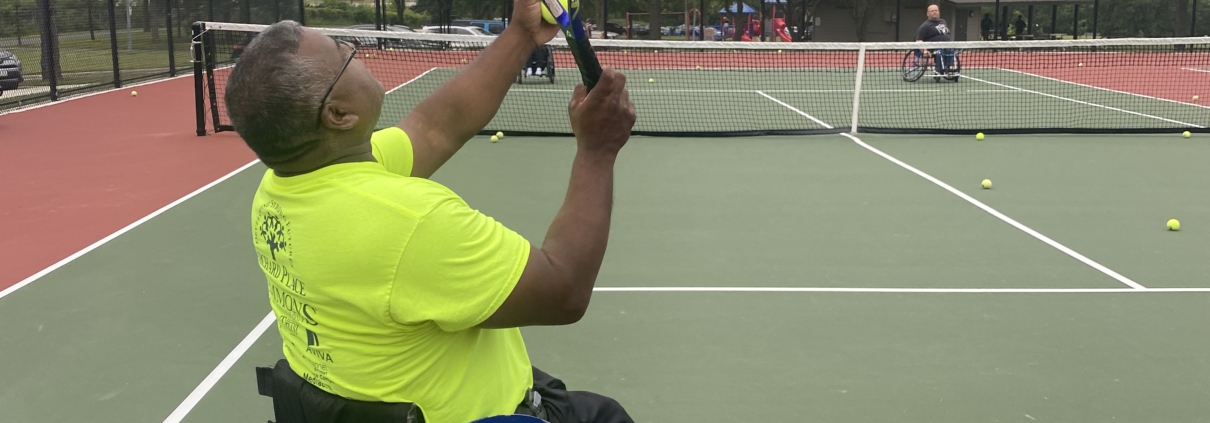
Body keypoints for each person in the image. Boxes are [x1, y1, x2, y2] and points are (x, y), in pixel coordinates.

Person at [222, 0, 638, 420]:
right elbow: (563, 292)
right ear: (339, 115)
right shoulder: (407, 224)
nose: (354, 48)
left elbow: (435, 127)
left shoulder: (287, 184)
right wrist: (597, 150)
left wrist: (522, 34)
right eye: (342, 52)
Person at [915, 4, 955, 75]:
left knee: (951, 49)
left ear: (939, 12)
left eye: (936, 10)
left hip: (947, 45)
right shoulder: (925, 26)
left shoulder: (943, 21)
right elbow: (919, 40)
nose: (934, 12)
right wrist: (924, 50)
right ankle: (940, 69)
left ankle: (949, 67)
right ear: (928, 13)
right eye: (932, 11)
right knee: (941, 51)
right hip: (933, 48)